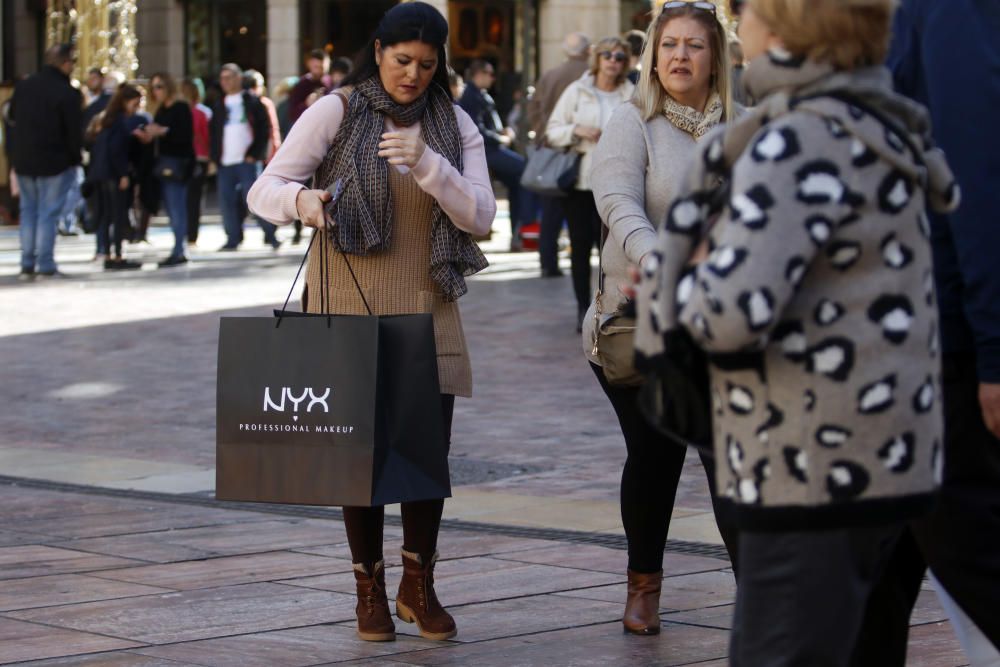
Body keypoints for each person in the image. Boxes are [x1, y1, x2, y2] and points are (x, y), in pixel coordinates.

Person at [635, 0, 959, 663]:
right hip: (885, 461)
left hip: (804, 463)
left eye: (744, 10)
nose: (736, 24)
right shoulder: (883, 127)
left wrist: (683, 279)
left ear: (782, 28)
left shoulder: (794, 139)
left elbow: (731, 312)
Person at [248, 1, 494, 644]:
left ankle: (419, 583)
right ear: (379, 51)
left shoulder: (454, 123)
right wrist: (302, 199)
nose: (412, 74)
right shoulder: (336, 110)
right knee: (357, 459)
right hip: (346, 308)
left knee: (425, 458)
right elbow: (263, 189)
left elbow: (482, 218)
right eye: (401, 60)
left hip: (427, 307)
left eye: (426, 64)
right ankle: (369, 588)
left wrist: (427, 164)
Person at [852, 1, 1000, 664]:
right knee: (857, 594)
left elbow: (973, 178)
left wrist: (995, 352)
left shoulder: (951, 11)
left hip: (947, 353)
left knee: (977, 564)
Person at [588, 3, 736, 636]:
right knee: (654, 460)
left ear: (715, 58)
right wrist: (657, 257)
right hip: (640, 320)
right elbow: (615, 196)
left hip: (726, 325)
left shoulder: (747, 126)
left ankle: (760, 595)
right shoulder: (634, 121)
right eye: (668, 44)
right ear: (653, 55)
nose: (679, 56)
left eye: (693, 46)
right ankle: (643, 586)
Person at [546, 37, 634, 331]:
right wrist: (577, 129)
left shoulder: (630, 93)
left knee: (612, 249)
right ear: (597, 59)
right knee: (580, 246)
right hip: (581, 182)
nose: (613, 61)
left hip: (617, 183)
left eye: (620, 57)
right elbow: (553, 131)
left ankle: (609, 305)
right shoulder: (577, 91)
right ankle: (583, 309)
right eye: (607, 54)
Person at [9, 44, 82, 280]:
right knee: (47, 214)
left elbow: (11, 120)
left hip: (24, 159)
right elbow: (73, 132)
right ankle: (45, 264)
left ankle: (27, 262)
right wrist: (75, 158)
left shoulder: (24, 87)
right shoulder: (67, 92)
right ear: (65, 63)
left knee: (29, 211)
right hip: (54, 161)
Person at [527, 31, 591, 278]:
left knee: (551, 213)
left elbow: (534, 108)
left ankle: (548, 262)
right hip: (583, 151)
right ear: (587, 50)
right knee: (586, 216)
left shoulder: (550, 75)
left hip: (555, 150)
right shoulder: (591, 75)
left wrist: (546, 133)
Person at [458, 59, 531, 251]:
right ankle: (523, 231)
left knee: (521, 181)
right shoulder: (470, 97)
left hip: (494, 148)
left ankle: (520, 231)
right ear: (478, 74)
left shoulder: (480, 95)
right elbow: (476, 129)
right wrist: (501, 139)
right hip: (488, 151)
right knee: (527, 172)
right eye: (489, 74)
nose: (492, 78)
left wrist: (502, 134)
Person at [211, 63, 279, 251]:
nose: (225, 82)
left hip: (247, 161)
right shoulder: (219, 104)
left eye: (229, 77)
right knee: (227, 202)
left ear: (238, 78)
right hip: (225, 161)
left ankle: (270, 235)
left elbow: (263, 129)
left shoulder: (252, 101)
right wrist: (214, 157)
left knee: (256, 200)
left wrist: (254, 154)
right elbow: (214, 133)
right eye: (222, 78)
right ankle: (233, 238)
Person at [133, 72, 194, 267]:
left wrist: (163, 131)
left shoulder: (181, 107)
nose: (156, 91)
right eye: (153, 87)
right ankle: (177, 248)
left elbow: (185, 135)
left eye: (159, 86)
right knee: (171, 208)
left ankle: (180, 249)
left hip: (178, 164)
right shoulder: (160, 110)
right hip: (162, 164)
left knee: (177, 208)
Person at [89, 84, 144, 270]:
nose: (136, 108)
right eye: (135, 103)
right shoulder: (119, 122)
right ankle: (117, 255)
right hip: (113, 173)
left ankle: (106, 252)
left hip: (101, 172)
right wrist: (123, 174)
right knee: (118, 213)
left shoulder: (107, 120)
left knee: (106, 214)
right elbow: (116, 150)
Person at [180, 78, 211, 245]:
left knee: (184, 198)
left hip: (186, 159)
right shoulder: (203, 113)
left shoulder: (183, 111)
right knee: (194, 199)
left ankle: (185, 233)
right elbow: (207, 137)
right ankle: (191, 235)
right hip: (199, 158)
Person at [243, 69, 282, 163]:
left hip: (257, 155)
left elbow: (272, 129)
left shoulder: (264, 103)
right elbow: (273, 129)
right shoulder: (263, 103)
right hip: (255, 155)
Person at [288, 49, 333, 125]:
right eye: (316, 67)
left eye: (322, 68)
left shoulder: (330, 83)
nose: (319, 71)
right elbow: (292, 114)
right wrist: (306, 104)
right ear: (309, 64)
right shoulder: (302, 84)